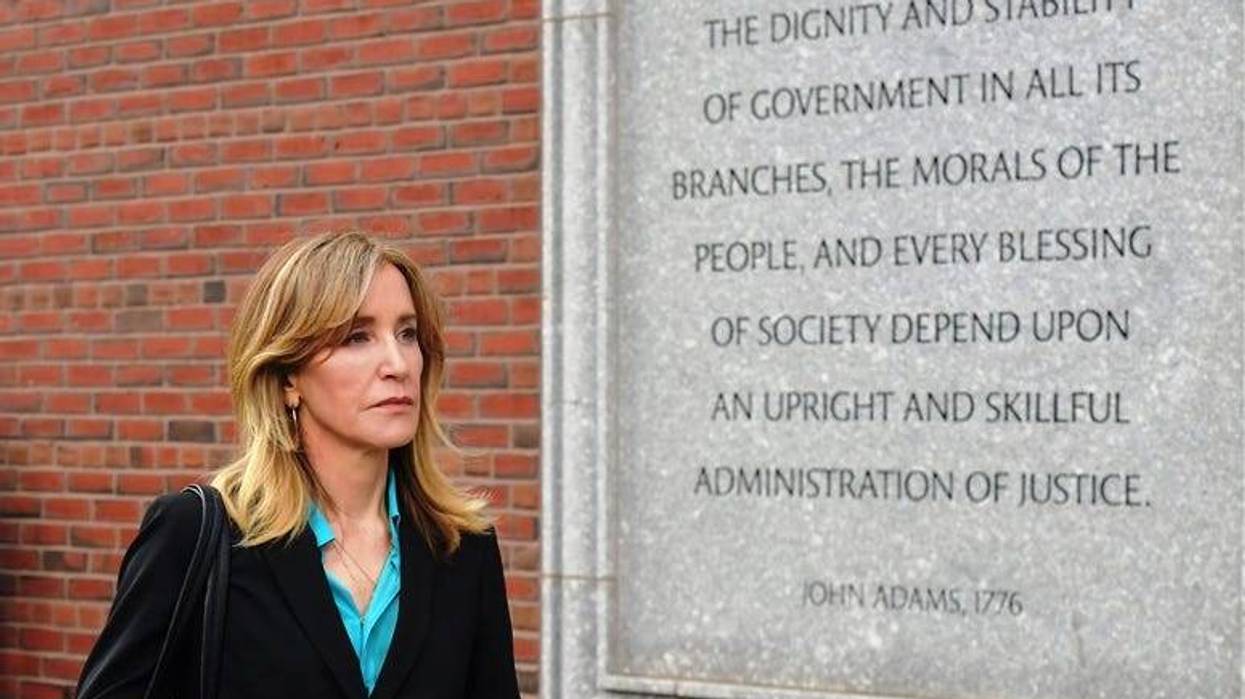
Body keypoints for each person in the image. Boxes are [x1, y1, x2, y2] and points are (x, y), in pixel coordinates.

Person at [75, 231, 521, 699]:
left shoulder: (462, 546)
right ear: (289, 376)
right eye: (357, 336)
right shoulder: (196, 535)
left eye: (407, 334)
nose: (398, 363)